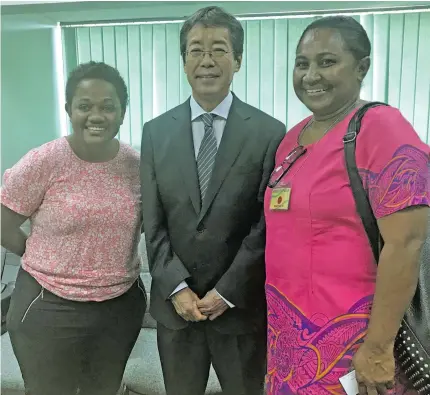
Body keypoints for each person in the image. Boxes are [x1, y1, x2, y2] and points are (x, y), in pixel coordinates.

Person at [263, 15, 429, 395]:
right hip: (289, 343)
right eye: (302, 63)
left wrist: (377, 347)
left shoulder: (382, 129)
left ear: (362, 67)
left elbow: (407, 244)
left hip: (356, 341)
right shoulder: (291, 141)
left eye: (326, 61)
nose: (310, 75)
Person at [140, 6, 286, 395]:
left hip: (239, 311)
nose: (207, 61)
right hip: (176, 311)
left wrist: (226, 292)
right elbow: (153, 223)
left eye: (219, 49)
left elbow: (264, 224)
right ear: (184, 61)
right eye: (196, 50)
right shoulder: (155, 133)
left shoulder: (270, 133)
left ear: (237, 60)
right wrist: (176, 287)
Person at [1, 61, 146, 395]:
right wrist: (37, 253)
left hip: (119, 307)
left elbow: (141, 225)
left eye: (108, 107)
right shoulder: (44, 161)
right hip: (48, 306)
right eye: (85, 106)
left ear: (122, 112)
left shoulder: (136, 166)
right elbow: (2, 223)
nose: (96, 115)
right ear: (69, 109)